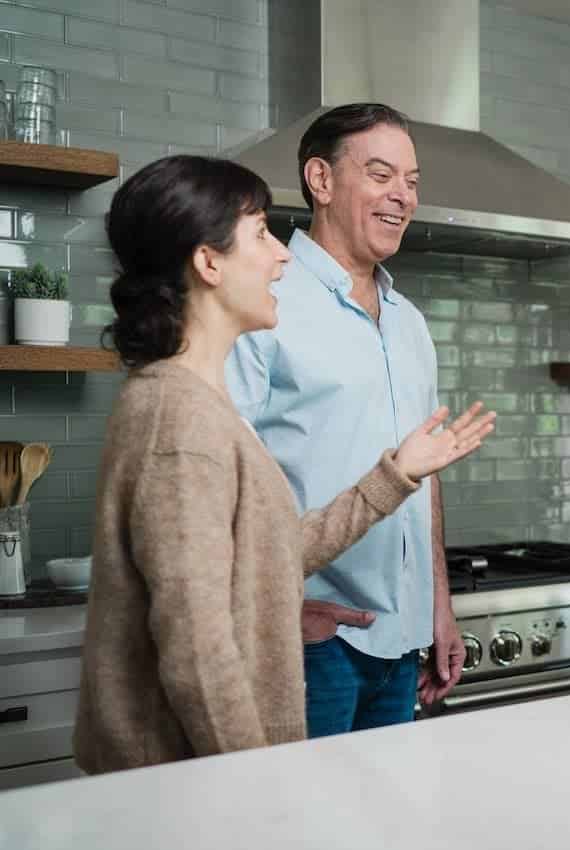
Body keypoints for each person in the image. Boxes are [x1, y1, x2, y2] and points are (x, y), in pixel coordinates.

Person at [76, 155, 495, 774]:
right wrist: (258, 783)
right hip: (188, 787)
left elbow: (264, 552)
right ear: (209, 263)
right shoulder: (178, 421)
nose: (282, 255)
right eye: (261, 234)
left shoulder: (196, 404)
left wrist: (398, 474)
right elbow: (197, 645)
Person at [226, 103, 469, 736]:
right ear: (322, 180)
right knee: (299, 804)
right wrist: (278, 610)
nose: (402, 196)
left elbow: (424, 476)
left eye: (411, 181)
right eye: (381, 175)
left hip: (403, 641)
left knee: (387, 804)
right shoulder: (264, 302)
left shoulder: (409, 322)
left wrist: (437, 606)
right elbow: (221, 480)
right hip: (311, 642)